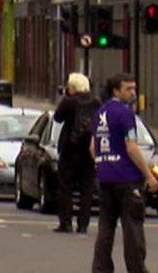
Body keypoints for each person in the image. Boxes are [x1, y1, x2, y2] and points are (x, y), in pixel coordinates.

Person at [92, 74, 158, 273]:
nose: (133, 93)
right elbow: (131, 147)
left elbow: (92, 147)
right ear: (116, 90)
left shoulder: (99, 113)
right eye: (128, 89)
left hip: (105, 177)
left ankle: (101, 268)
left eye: (134, 88)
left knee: (106, 227)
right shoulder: (125, 113)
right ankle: (137, 269)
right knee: (132, 228)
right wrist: (148, 175)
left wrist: (102, 165)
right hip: (127, 179)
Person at [53, 72, 100, 233]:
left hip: (70, 148)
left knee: (66, 188)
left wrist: (66, 98)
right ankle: (83, 223)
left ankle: (66, 222)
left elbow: (57, 118)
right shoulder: (96, 102)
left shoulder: (69, 102)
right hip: (89, 149)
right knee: (86, 189)